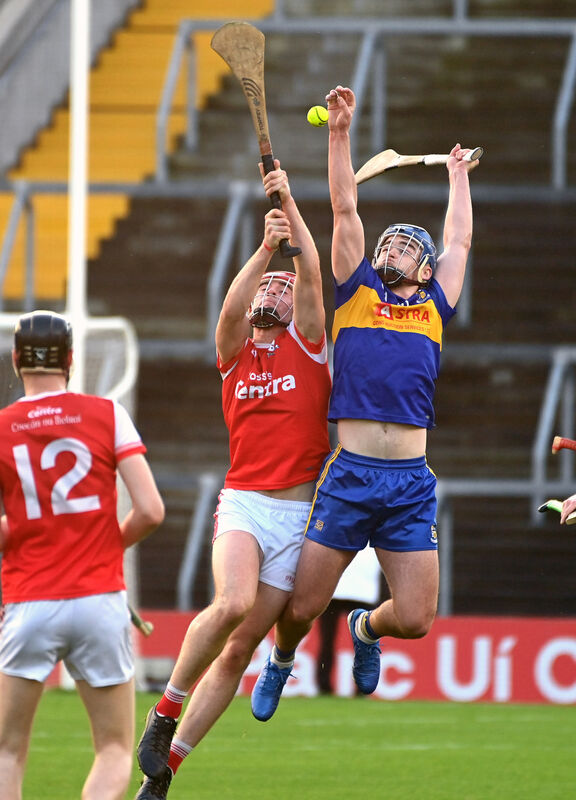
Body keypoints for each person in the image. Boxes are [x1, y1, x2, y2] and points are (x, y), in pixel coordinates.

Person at [251, 84, 478, 721]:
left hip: (409, 481)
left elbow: (458, 243)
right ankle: (282, 660)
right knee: (299, 607)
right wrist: (339, 131)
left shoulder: (434, 307)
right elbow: (345, 208)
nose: (392, 247)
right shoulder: (355, 292)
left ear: (425, 269)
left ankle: (366, 632)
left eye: (407, 244)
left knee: (416, 618)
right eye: (391, 242)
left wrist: (457, 177)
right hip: (349, 473)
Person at [134, 162, 331, 799]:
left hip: (298, 517)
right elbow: (226, 311)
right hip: (245, 504)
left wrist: (290, 213)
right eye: (262, 292)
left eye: (279, 287)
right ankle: (163, 713)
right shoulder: (234, 355)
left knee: (240, 648)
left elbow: (312, 273)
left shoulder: (309, 342)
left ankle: (166, 775)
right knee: (232, 605)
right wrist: (265, 246)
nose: (271, 294)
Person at [0, 310, 165, 800]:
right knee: (113, 750)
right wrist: (99, 543)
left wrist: (27, 535)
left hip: (28, 602)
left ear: (16, 360)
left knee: (8, 753)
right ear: (72, 359)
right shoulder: (108, 413)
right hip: (99, 600)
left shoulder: (3, 427)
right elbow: (150, 511)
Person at [316, 545, 381, 695]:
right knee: (363, 643)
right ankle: (361, 688)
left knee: (327, 641)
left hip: (340, 588)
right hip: (359, 590)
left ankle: (324, 685)